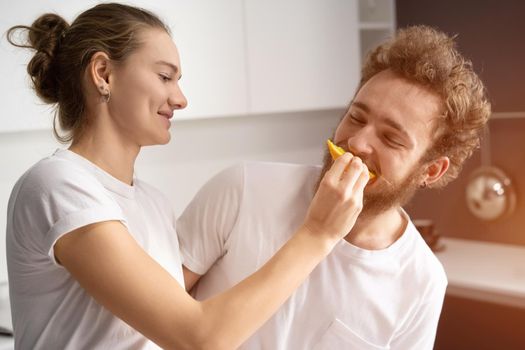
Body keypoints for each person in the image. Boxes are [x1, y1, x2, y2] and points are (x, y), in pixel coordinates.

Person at [5, 3, 370, 349]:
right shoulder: (57, 185)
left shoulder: (153, 203)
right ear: (103, 73)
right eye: (165, 76)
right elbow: (197, 337)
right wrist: (319, 233)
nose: (181, 99)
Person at [178, 25, 491, 349]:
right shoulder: (242, 189)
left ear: (432, 170)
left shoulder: (422, 282)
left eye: (390, 138)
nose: (356, 142)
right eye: (356, 117)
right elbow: (145, 327)